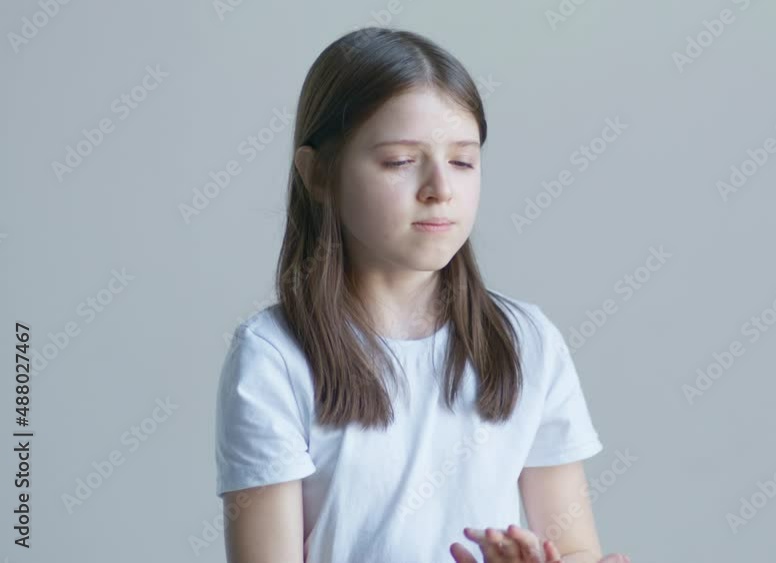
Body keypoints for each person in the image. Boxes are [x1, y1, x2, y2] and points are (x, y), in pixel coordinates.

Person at [214, 26, 630, 563]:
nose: (441, 188)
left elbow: (572, 546)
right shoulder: (272, 357)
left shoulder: (529, 342)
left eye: (463, 160)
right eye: (399, 161)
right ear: (318, 175)